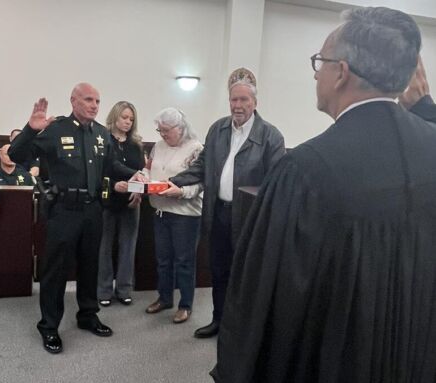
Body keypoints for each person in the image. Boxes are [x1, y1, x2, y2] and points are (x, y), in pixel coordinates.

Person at [211, 7, 436, 382]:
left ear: (341, 73)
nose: (316, 74)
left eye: (320, 62)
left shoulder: (302, 172)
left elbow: (263, 300)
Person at [8, 83, 136, 354]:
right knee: (56, 271)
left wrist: (132, 174)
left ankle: (87, 315)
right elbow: (17, 156)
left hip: (93, 210)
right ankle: (50, 326)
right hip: (64, 210)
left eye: (98, 101)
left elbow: (112, 165)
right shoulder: (56, 129)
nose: (94, 105)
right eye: (88, 99)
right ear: (73, 101)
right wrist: (31, 129)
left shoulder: (102, 134)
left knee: (90, 266)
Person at [170, 68, 286, 337]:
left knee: (246, 277)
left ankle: (242, 330)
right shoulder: (218, 129)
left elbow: (276, 184)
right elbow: (201, 166)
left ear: (255, 103)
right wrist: (175, 181)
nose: (238, 106)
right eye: (234, 100)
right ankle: (219, 321)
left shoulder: (270, 136)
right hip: (217, 215)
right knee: (219, 273)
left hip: (249, 220)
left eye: (244, 100)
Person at [139, 107, 203, 324]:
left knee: (184, 261)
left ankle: (185, 305)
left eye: (167, 130)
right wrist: (142, 177)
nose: (163, 135)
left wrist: (181, 192)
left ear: (181, 128)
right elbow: (148, 169)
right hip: (160, 210)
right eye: (160, 130)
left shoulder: (196, 149)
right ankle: (164, 298)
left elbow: (201, 183)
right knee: (163, 260)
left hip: (184, 214)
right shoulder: (157, 146)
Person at [97, 101, 144, 307]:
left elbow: (141, 173)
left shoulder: (136, 144)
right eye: (124, 117)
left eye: (131, 119)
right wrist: (116, 185)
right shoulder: (102, 140)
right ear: (115, 116)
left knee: (128, 246)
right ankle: (104, 290)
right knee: (104, 247)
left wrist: (138, 193)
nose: (127, 122)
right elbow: (102, 170)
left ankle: (124, 288)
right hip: (107, 199)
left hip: (131, 202)